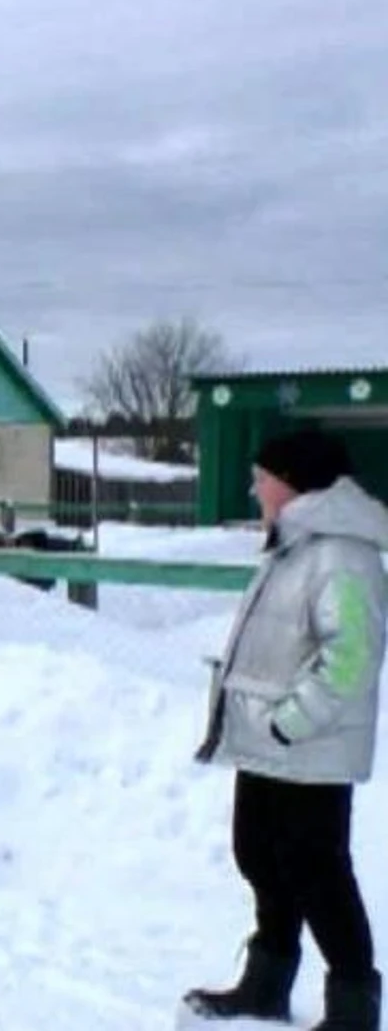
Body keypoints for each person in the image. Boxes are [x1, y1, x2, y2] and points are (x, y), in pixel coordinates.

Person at [187, 429, 388, 1030]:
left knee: (317, 873)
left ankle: (353, 1004)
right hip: (268, 743)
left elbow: (351, 655)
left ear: (295, 482)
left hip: (308, 747)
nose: (254, 487)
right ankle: (266, 984)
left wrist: (289, 724)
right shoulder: (291, 546)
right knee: (260, 857)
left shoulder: (342, 554)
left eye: (262, 476)